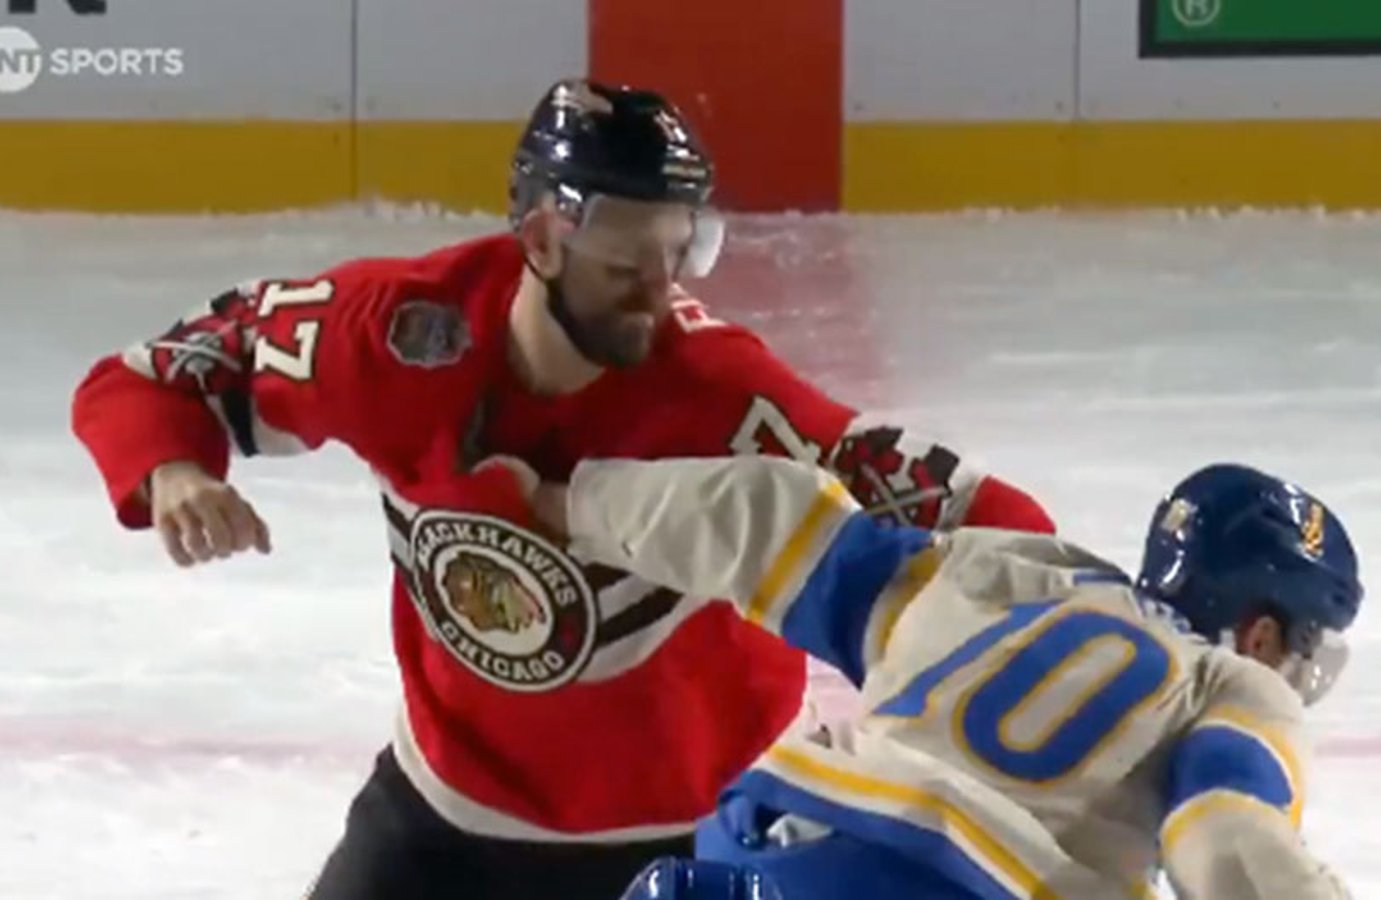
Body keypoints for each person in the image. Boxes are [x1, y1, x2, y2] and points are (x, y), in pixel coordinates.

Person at [69, 79, 1055, 900]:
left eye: (678, 256)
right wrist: (172, 469)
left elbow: (983, 524)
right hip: (445, 818)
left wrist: (1092, 630)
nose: (660, 293)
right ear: (540, 239)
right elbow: (161, 371)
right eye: (627, 267)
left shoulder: (727, 399)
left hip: (690, 843)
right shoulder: (391, 334)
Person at [522, 455, 1360, 899]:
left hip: (771, 843)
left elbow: (765, 518)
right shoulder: (1237, 687)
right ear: (1261, 630)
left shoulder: (1006, 571)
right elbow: (1226, 845)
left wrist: (569, 503)